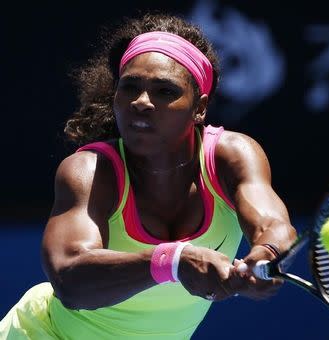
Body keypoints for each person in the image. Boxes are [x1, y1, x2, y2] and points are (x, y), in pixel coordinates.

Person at [0, 12, 297, 339]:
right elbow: (70, 279)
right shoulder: (89, 170)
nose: (141, 102)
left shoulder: (232, 156)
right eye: (130, 88)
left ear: (199, 107)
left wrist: (266, 254)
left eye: (164, 91)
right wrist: (173, 261)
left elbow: (274, 226)